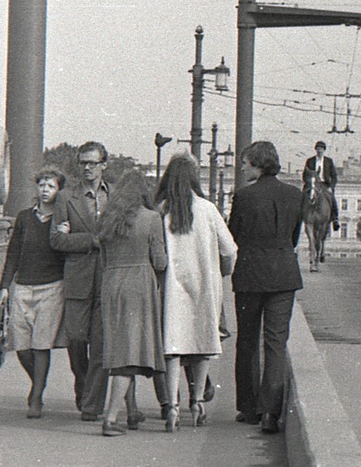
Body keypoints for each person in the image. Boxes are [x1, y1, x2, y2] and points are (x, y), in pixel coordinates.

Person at [50, 141, 135, 422]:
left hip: (109, 278)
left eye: (92, 163)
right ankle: (83, 384)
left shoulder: (115, 196)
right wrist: (91, 240)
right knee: (75, 338)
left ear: (104, 165)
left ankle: (92, 404)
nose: (87, 168)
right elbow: (57, 239)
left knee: (100, 344)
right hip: (77, 278)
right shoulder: (65, 197)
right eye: (82, 163)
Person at [158, 154, 237, 432]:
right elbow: (230, 249)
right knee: (202, 343)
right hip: (205, 285)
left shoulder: (162, 211)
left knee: (173, 347)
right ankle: (198, 403)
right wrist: (222, 271)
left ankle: (172, 407)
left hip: (171, 288)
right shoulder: (207, 209)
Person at [229, 140, 304, 434]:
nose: (242, 167)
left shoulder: (244, 197)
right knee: (275, 343)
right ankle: (270, 413)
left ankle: (248, 408)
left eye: (245, 162)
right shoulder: (294, 195)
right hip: (284, 275)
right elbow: (294, 236)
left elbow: (234, 234)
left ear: (258, 164)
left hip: (250, 276)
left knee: (247, 341)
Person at [97, 172, 167, 436]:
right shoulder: (151, 218)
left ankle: (132, 411)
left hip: (111, 282)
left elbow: (103, 258)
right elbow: (159, 261)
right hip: (138, 285)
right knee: (130, 354)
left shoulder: (107, 220)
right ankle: (111, 419)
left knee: (122, 348)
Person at [0, 166, 69, 418]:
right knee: (21, 346)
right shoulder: (24, 217)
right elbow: (13, 252)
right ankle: (37, 383)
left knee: (41, 345)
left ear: (59, 190)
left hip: (52, 287)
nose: (45, 190)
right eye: (41, 184)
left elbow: (68, 253)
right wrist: (5, 286)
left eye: (50, 186)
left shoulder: (62, 220)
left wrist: (66, 235)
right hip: (23, 287)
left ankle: (37, 396)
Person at [302, 140, 340, 233]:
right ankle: (300, 216)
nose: (319, 150)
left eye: (321, 149)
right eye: (318, 148)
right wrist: (309, 182)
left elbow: (334, 176)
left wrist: (331, 187)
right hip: (312, 184)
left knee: (332, 199)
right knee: (303, 196)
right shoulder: (310, 161)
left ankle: (335, 219)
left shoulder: (328, 161)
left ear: (324, 150)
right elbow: (305, 175)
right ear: (315, 150)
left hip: (324, 185)